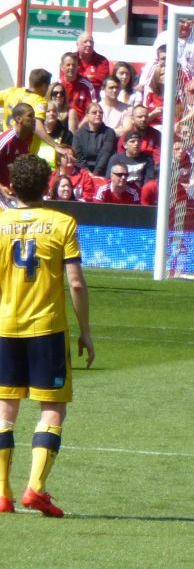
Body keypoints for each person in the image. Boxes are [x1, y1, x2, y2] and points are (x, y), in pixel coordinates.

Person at [0, 154, 94, 517]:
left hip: (6, 328)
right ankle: (35, 489)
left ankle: (3, 492)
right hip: (47, 330)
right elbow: (75, 282)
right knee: (52, 409)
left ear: (12, 187)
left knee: (5, 410)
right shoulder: (62, 223)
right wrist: (85, 331)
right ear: (47, 186)